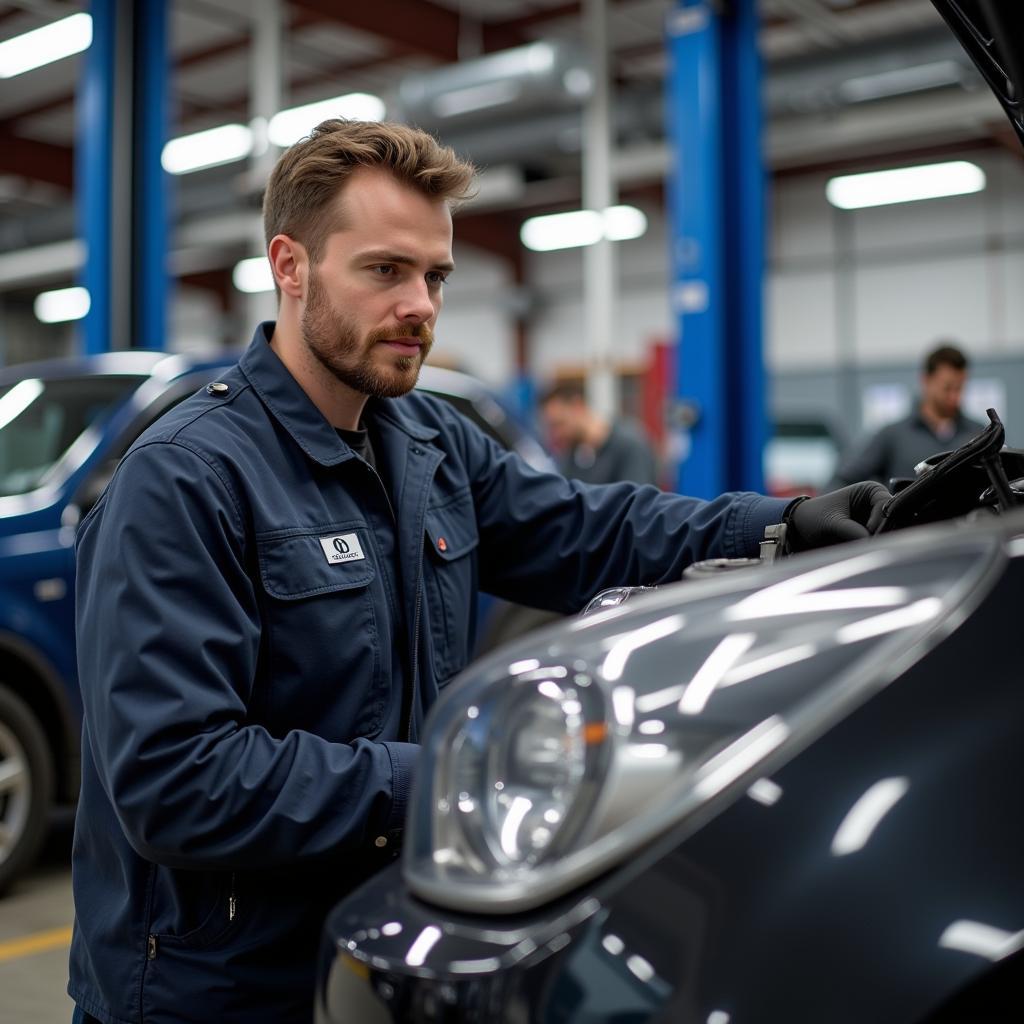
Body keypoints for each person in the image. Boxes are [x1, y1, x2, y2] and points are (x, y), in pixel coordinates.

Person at [69, 119, 888, 1024]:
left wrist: (784, 523)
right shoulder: (188, 479)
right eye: (385, 270)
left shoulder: (429, 446)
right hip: (213, 995)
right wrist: (454, 777)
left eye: (436, 276)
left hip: (377, 963)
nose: (422, 303)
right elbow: (178, 781)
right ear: (291, 267)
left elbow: (592, 530)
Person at [830, 343, 986, 489]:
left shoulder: (979, 436)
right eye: (947, 388)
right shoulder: (893, 436)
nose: (954, 397)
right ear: (926, 381)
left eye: (959, 388)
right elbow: (843, 480)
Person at [539, 381, 659, 486]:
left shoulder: (630, 445)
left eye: (559, 424)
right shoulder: (573, 455)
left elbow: (637, 504)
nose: (556, 434)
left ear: (577, 406)